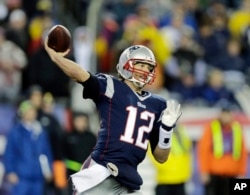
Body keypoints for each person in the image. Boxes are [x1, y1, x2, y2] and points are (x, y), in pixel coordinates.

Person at [44, 39, 182, 195]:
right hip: (102, 172)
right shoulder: (112, 87)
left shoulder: (157, 104)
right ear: (126, 65)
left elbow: (161, 157)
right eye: (141, 65)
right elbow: (81, 75)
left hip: (128, 180)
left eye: (149, 67)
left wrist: (166, 130)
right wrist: (57, 58)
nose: (145, 70)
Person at [197, 101, 248, 195]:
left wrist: (242, 172)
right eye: (224, 113)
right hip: (214, 174)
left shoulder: (237, 128)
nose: (226, 117)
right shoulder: (211, 127)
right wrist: (204, 171)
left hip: (233, 173)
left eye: (228, 113)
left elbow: (242, 152)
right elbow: (204, 151)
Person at [3, 100, 53, 195]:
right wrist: (10, 171)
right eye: (28, 111)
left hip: (38, 176)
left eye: (33, 111)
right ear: (23, 113)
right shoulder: (16, 131)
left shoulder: (40, 131)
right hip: (21, 176)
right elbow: (10, 153)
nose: (31, 113)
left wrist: (48, 170)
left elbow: (46, 152)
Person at [148, 123, 193, 195]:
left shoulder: (180, 129)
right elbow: (153, 153)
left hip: (181, 179)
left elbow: (187, 150)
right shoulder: (157, 131)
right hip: (165, 180)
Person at [62, 111, 97, 194]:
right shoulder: (68, 137)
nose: (81, 123)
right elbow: (63, 156)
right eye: (79, 121)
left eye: (83, 121)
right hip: (72, 175)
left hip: (88, 174)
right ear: (74, 122)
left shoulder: (91, 137)